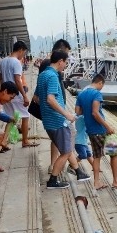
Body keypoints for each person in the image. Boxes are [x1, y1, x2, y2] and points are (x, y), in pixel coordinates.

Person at [36, 50, 90, 189]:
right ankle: (53, 180)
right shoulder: (53, 77)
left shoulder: (42, 75)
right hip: (58, 121)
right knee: (65, 152)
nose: (65, 65)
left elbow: (37, 98)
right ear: (60, 61)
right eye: (65, 62)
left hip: (48, 120)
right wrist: (66, 114)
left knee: (67, 146)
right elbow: (50, 99)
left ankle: (79, 172)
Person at [75, 74, 117, 190]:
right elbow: (95, 112)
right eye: (102, 86)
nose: (102, 88)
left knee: (97, 156)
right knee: (114, 153)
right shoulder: (97, 94)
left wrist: (87, 110)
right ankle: (116, 181)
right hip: (100, 129)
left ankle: (97, 182)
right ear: (100, 83)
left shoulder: (81, 94)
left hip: (90, 130)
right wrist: (107, 126)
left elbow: (78, 112)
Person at [0, 41, 37, 148]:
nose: (23, 55)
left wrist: (2, 94)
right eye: (23, 53)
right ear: (20, 50)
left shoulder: (2, 61)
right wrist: (24, 96)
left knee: (11, 117)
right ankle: (25, 140)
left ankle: (4, 141)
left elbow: (1, 79)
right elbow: (17, 79)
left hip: (6, 94)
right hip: (16, 94)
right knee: (26, 116)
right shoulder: (16, 62)